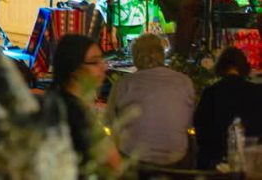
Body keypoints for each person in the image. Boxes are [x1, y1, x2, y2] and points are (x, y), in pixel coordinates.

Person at [105, 33, 195, 167]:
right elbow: (189, 122)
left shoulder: (123, 84)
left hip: (133, 162)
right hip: (176, 160)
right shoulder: (184, 81)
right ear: (161, 54)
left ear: (135, 56)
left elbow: (111, 123)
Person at [48, 34, 121, 174]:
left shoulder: (56, 99)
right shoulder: (77, 113)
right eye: (94, 62)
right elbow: (115, 164)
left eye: (102, 60)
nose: (104, 67)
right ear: (74, 68)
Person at [194, 47, 262, 169]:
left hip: (216, 162)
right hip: (251, 161)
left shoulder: (211, 92)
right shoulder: (257, 91)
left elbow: (201, 129)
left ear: (220, 66)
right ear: (243, 66)